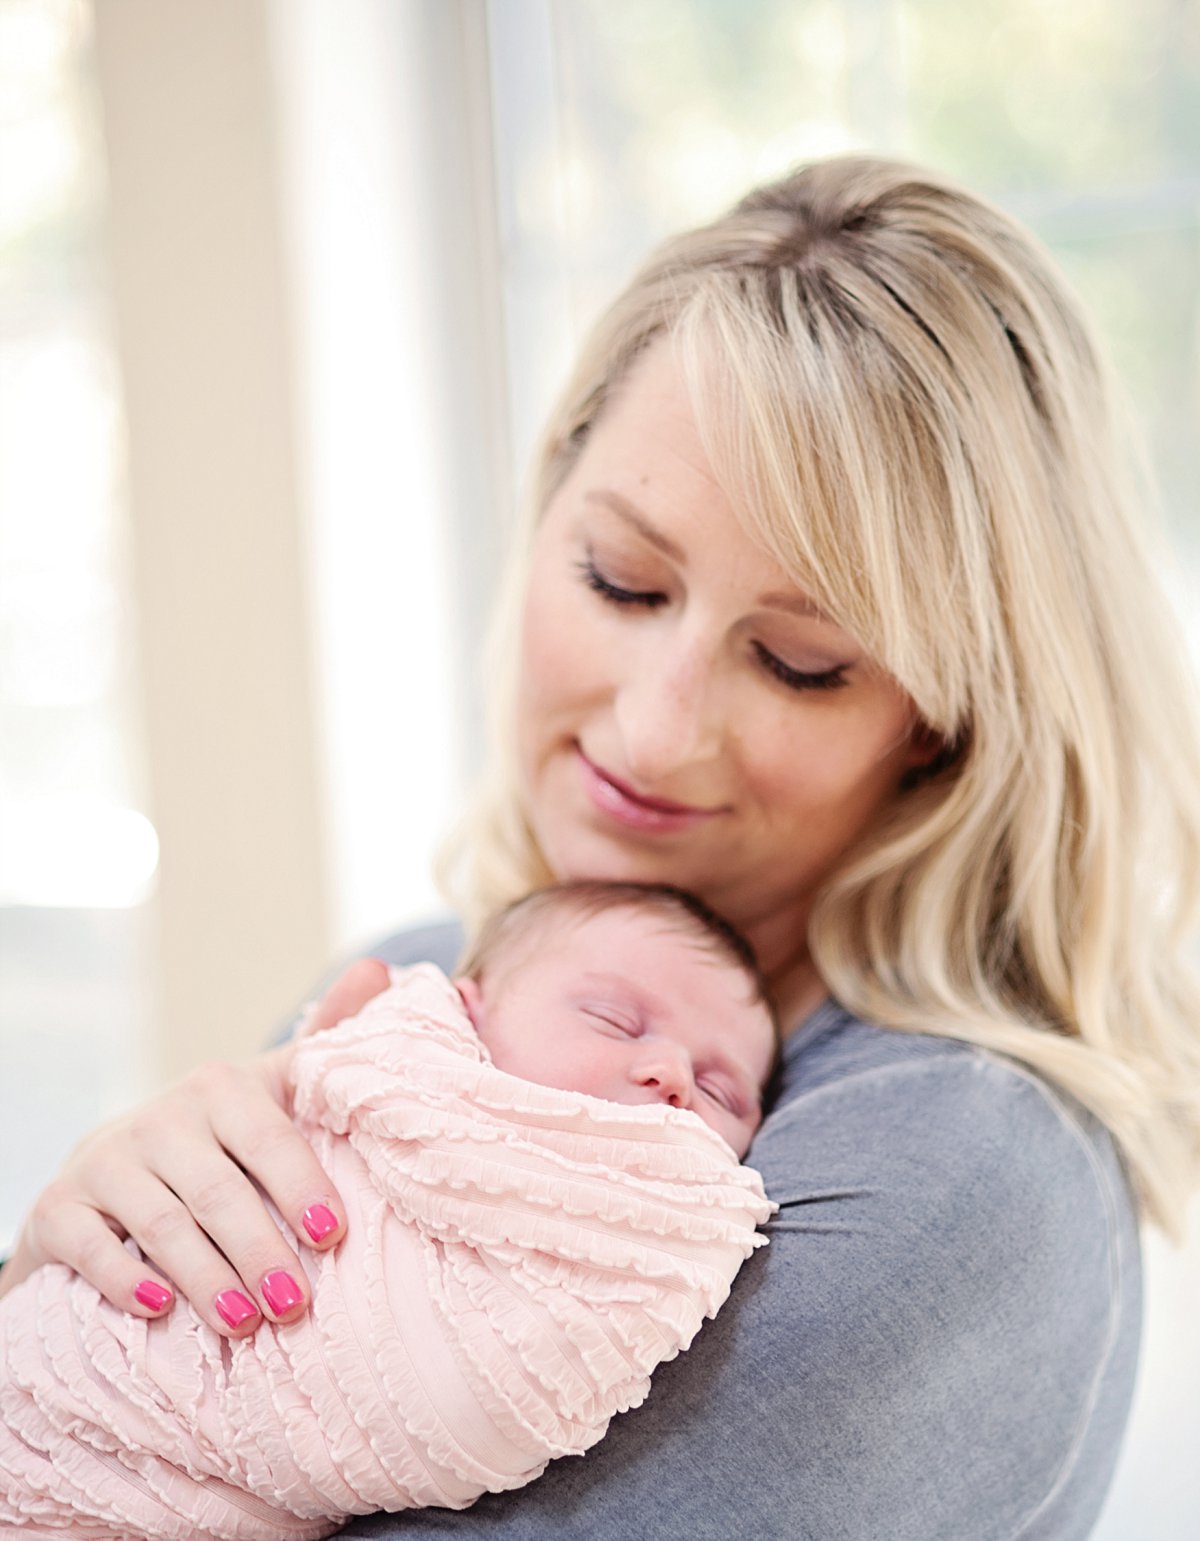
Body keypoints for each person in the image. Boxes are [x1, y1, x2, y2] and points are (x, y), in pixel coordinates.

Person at [3, 155, 1199, 1540]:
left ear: (941, 729)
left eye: (800, 662)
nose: (655, 726)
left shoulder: (957, 1167)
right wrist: (59, 1277)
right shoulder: (410, 979)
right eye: (621, 580)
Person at [0, 881, 776, 1539]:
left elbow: (461, 1398)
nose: (674, 1074)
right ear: (465, 1011)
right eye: (613, 1019)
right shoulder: (390, 1042)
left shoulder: (675, 1224)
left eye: (723, 1090)